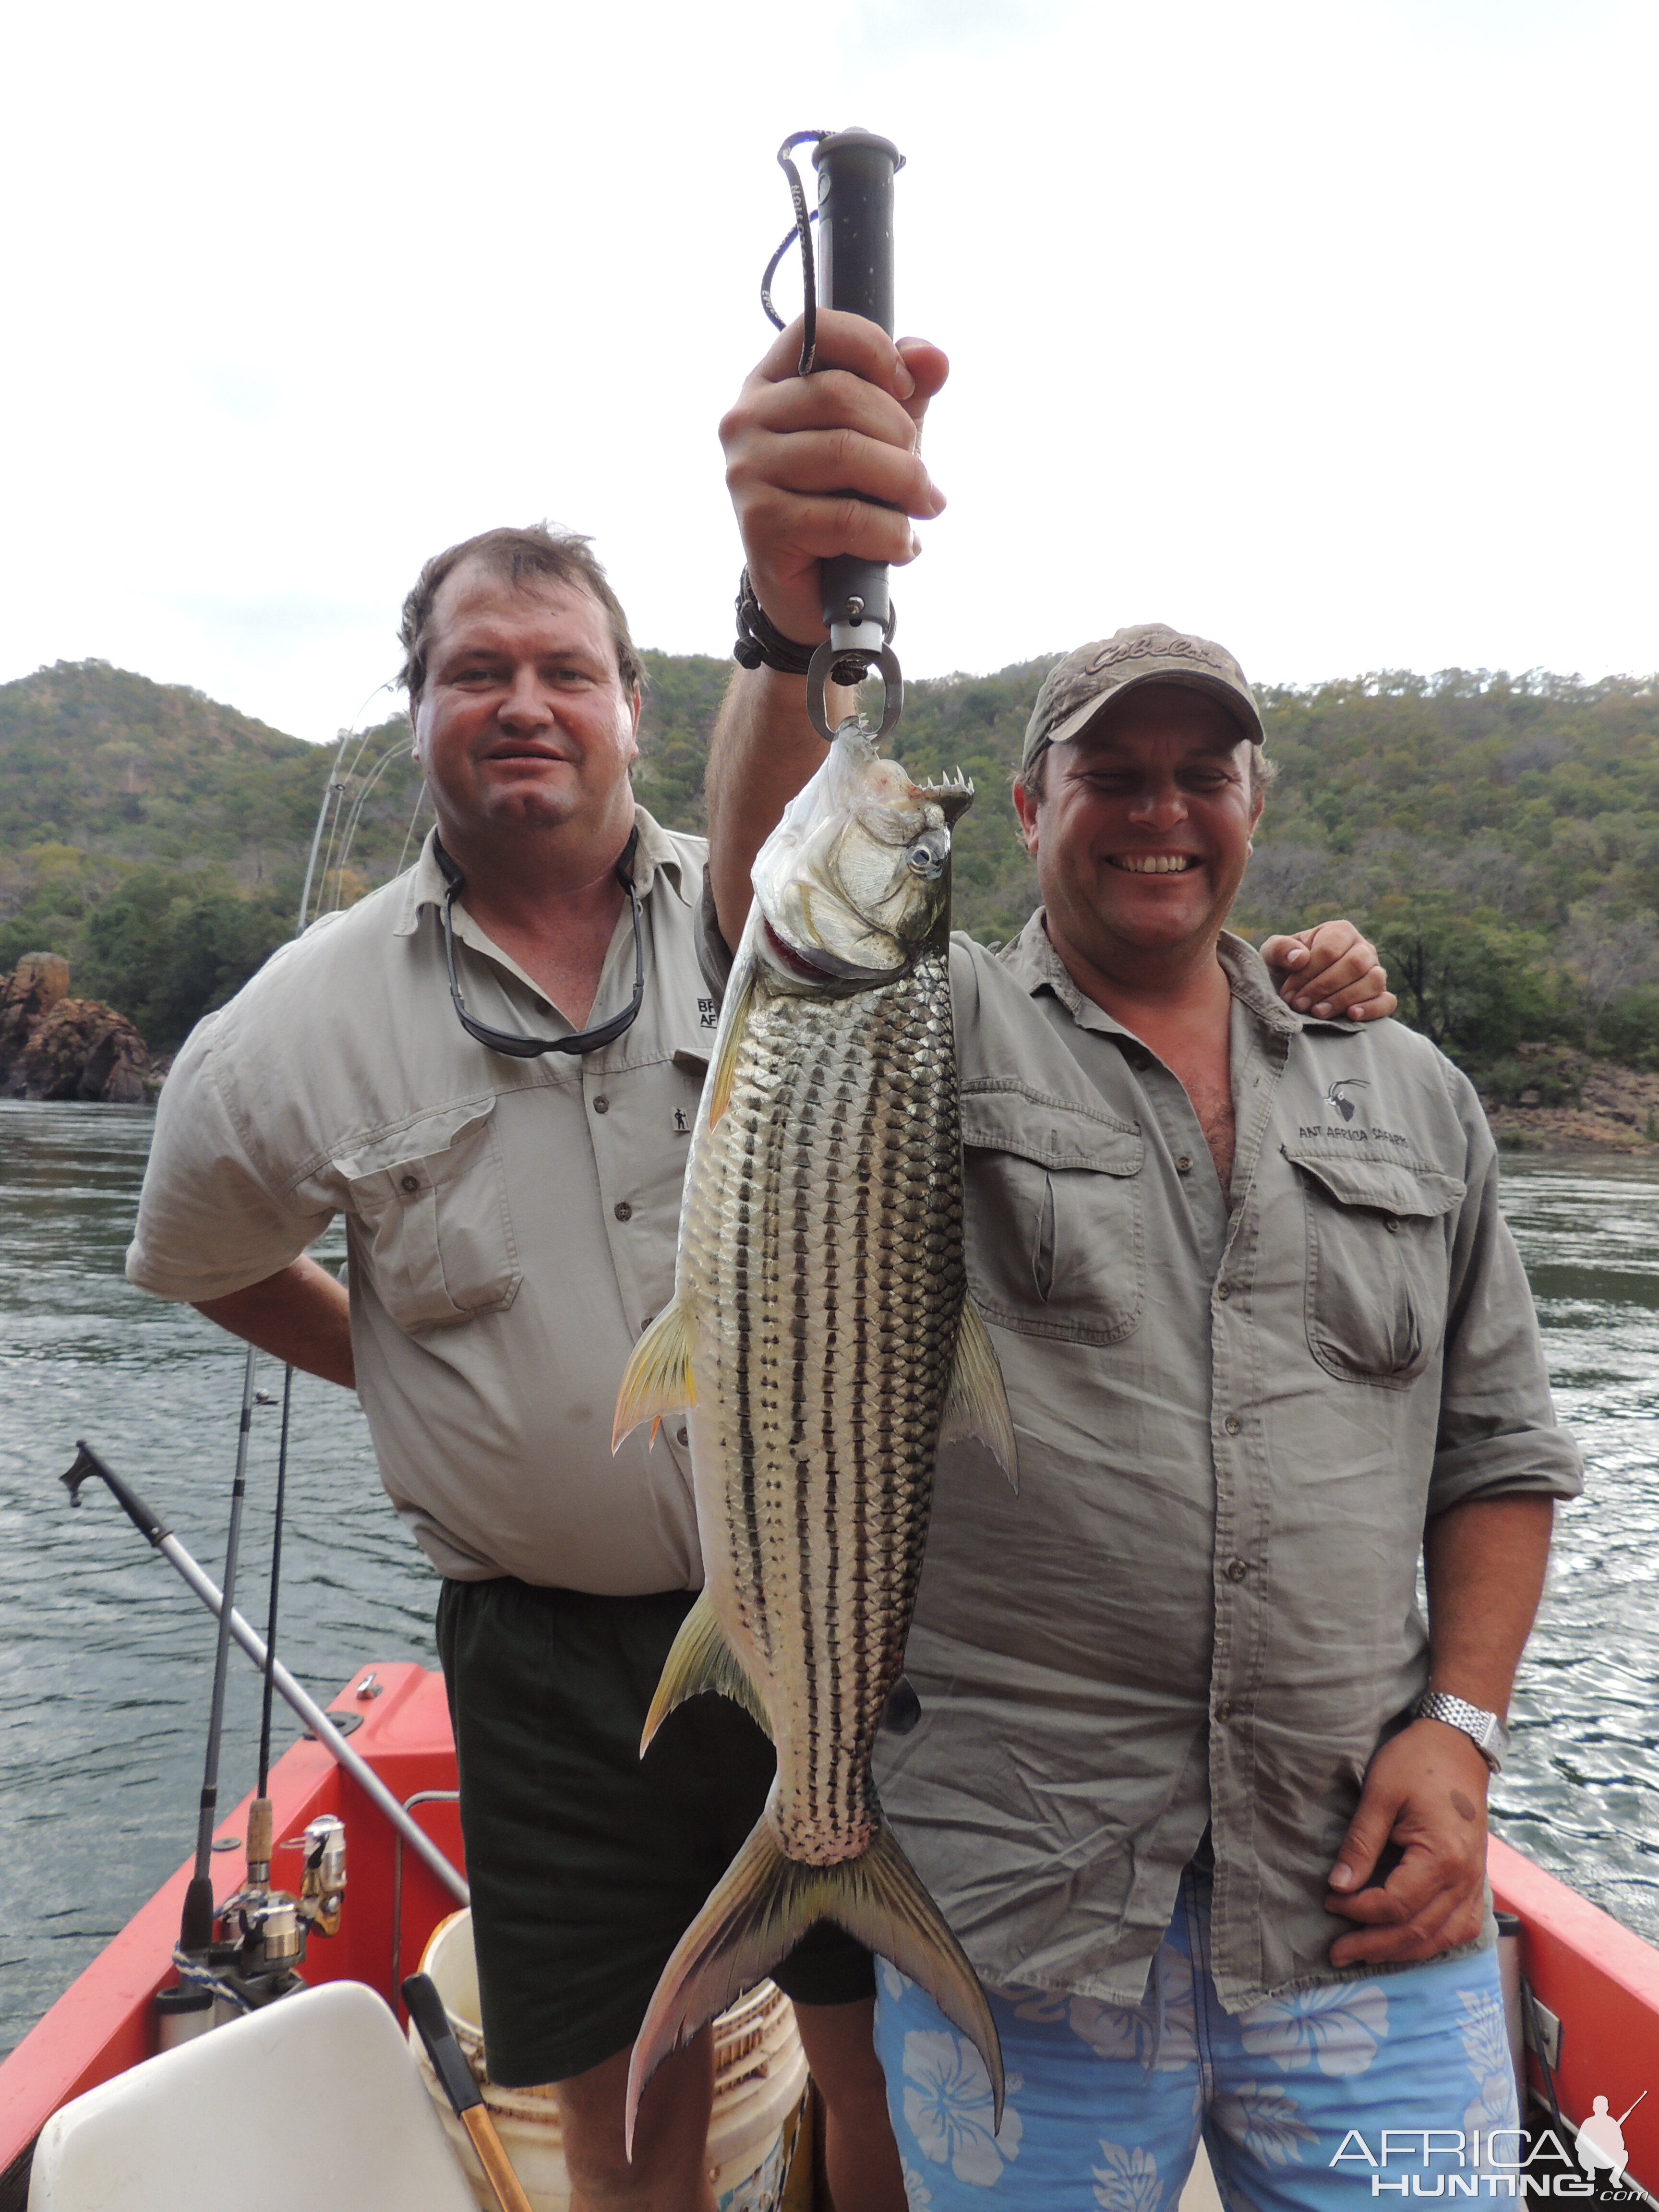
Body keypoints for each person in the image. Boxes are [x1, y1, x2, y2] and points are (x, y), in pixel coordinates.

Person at [126, 521, 1391, 2212]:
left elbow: (1104, 996)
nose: (525, 704)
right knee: (624, 2106)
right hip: (551, 1660)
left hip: (862, 1623)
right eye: (476, 672)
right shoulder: (294, 1025)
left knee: (877, 2079)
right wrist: (419, 1386)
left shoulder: (757, 918)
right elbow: (201, 1258)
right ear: (414, 700)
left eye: (568, 670)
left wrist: (1291, 976)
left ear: (636, 707)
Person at [703, 311, 1585, 2208]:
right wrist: (789, 609)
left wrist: (1466, 1731)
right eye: (1115, 771)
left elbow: (1502, 1457)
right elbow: (767, 893)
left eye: (1211, 772)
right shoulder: (918, 1025)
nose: (1166, 809)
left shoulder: (1411, 1090)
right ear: (1031, 811)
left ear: (1258, 807)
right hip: (1025, 1909)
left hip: (1364, 1899)